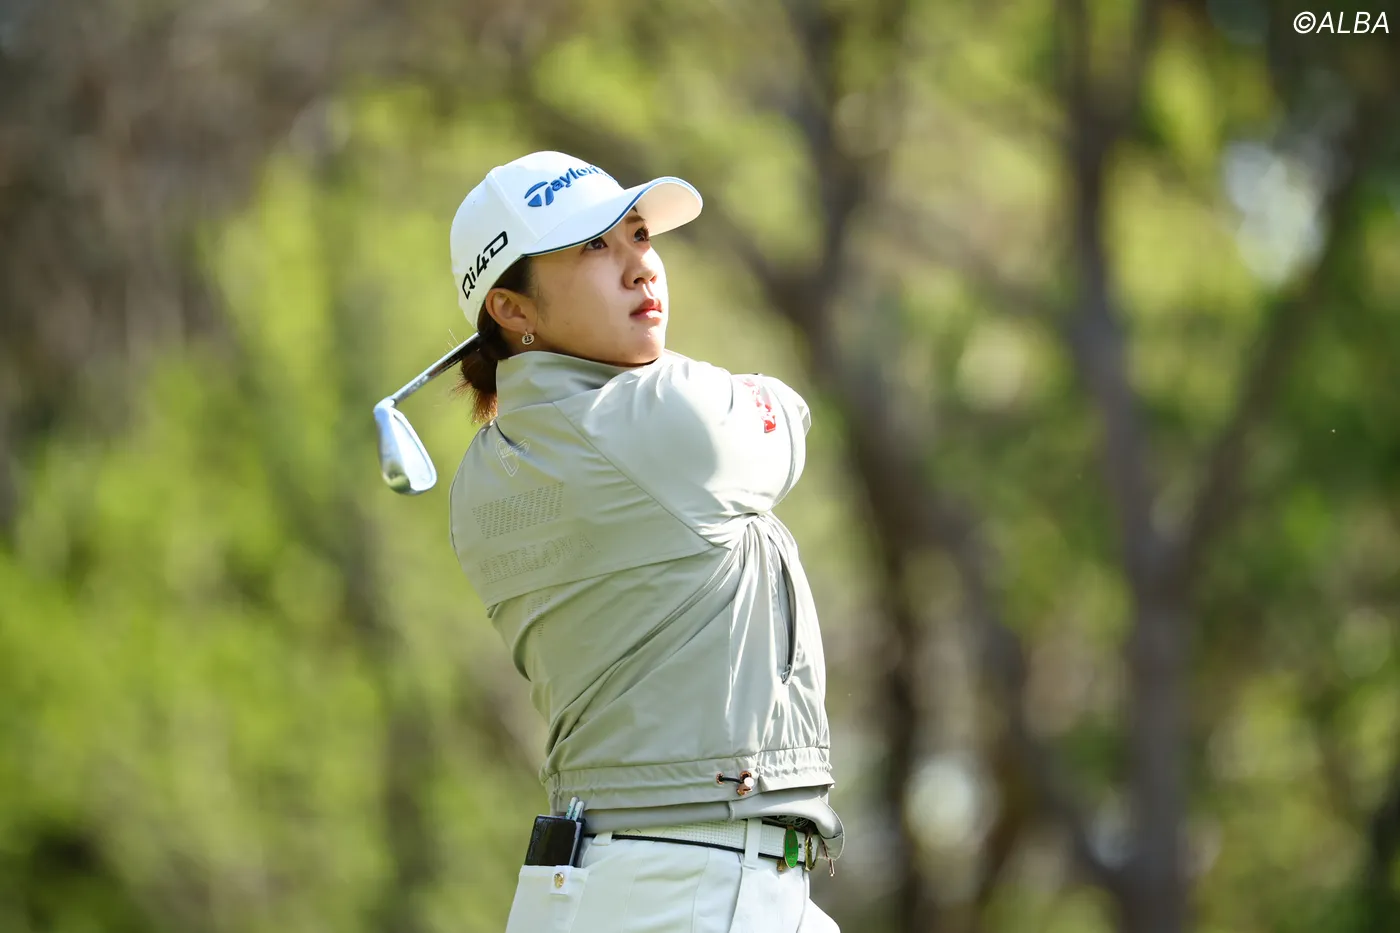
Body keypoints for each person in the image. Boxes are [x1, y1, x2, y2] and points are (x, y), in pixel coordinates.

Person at [446, 150, 842, 933]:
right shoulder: (661, 417)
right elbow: (789, 414)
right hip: (698, 883)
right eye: (593, 246)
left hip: (606, 882)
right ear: (512, 307)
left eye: (638, 235)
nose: (639, 267)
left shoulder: (479, 479)